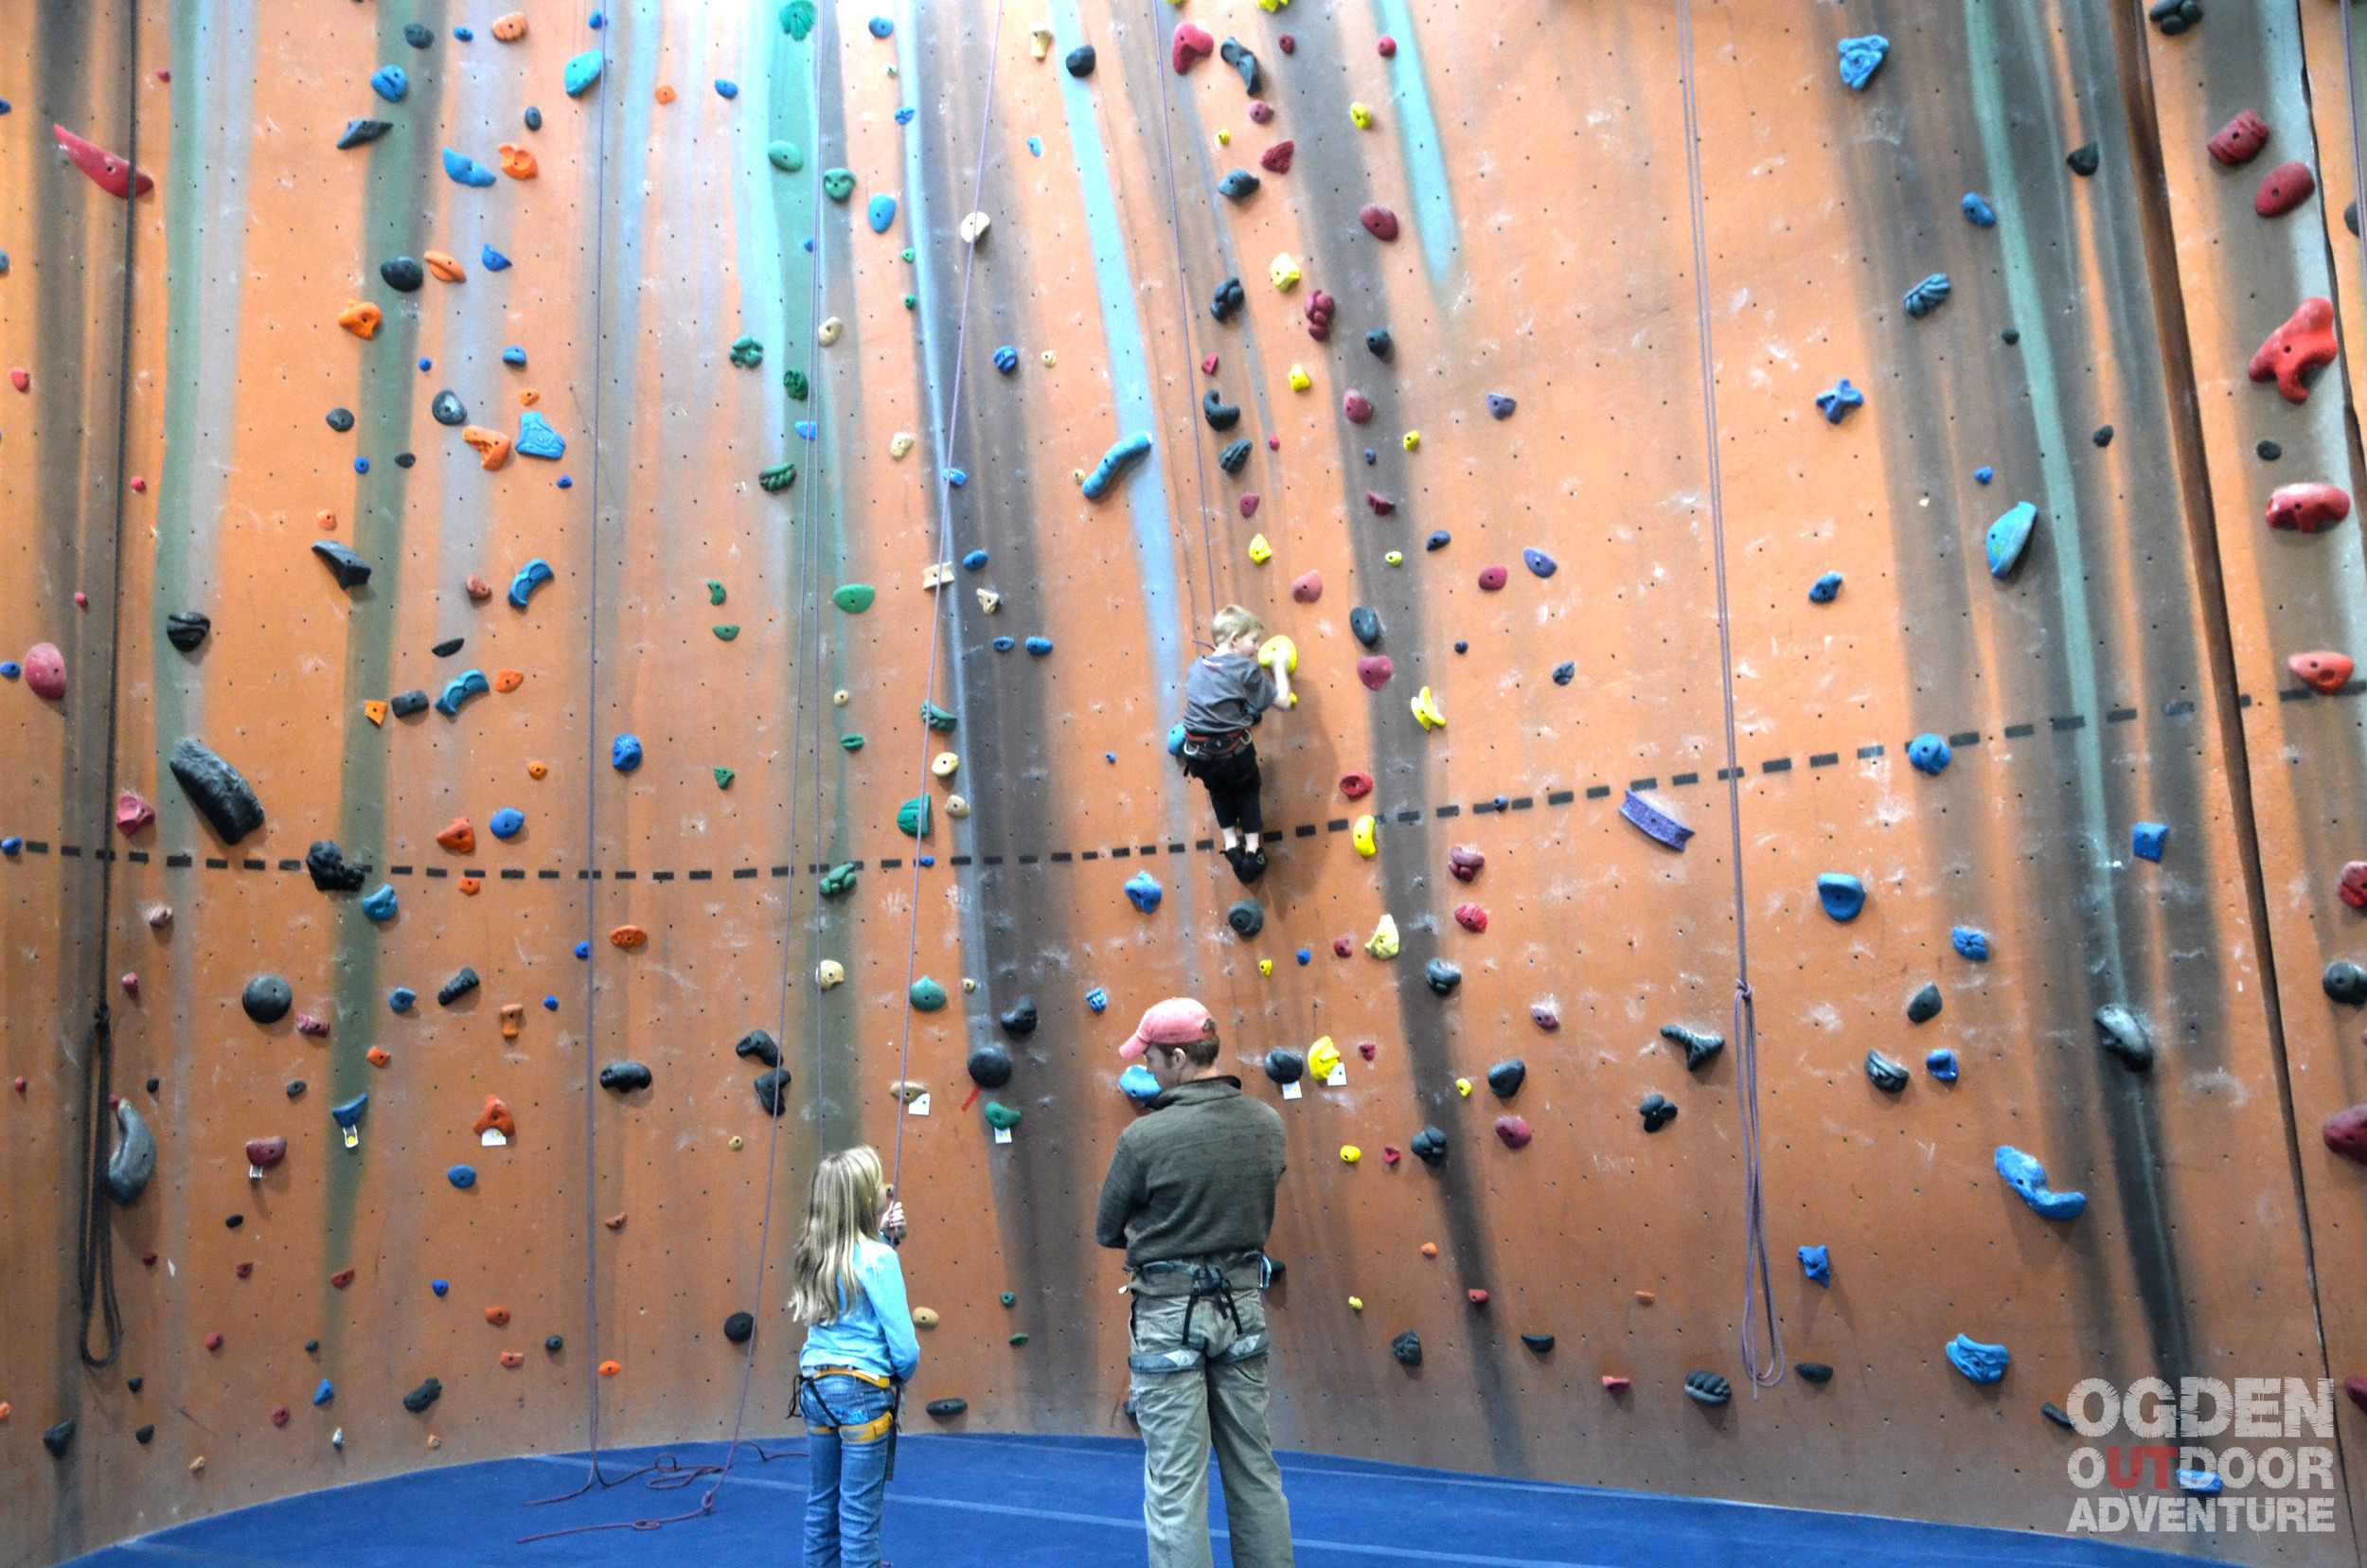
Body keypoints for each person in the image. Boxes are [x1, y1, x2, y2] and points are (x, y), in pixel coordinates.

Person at [1096, 998, 1294, 1568]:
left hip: (1168, 1313)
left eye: (1152, 1058)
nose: (1148, 1070)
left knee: (1176, 1483)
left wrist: (1158, 1223)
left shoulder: (1145, 1138)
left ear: (1179, 1057)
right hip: (1242, 1308)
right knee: (1255, 1470)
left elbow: (1108, 1227)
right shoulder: (1267, 1123)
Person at [789, 1147, 915, 1568]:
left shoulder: (813, 1252)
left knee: (822, 1509)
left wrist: (882, 1233)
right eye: (880, 1186)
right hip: (863, 1393)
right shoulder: (880, 1258)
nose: (887, 1191)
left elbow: (852, 1256)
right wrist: (900, 1374)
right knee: (859, 1519)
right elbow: (905, 1349)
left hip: (815, 1390)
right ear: (866, 1200)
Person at [1182, 604, 1290, 884]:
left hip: (1197, 754)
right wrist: (1278, 668)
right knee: (1247, 789)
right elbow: (1284, 703)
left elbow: (1218, 698)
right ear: (1234, 638)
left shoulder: (1195, 666)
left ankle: (1231, 844)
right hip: (1232, 754)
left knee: (1217, 789)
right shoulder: (1247, 670)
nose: (1256, 649)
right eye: (1253, 640)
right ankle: (1252, 851)